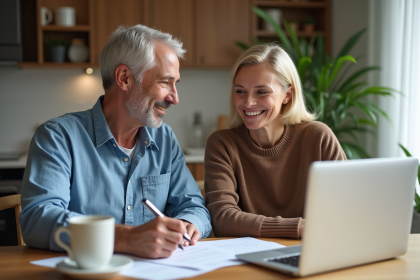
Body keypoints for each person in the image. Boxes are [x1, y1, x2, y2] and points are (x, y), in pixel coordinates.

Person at [19, 25, 212, 258]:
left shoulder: (165, 139)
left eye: (176, 83)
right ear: (124, 78)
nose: (175, 98)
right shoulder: (58, 137)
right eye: (165, 82)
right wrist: (124, 238)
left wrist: (188, 224)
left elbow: (193, 206)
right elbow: (38, 218)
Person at [204, 44, 346, 239]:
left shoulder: (318, 138)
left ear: (287, 95)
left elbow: (345, 210)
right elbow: (223, 219)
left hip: (312, 252)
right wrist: (297, 228)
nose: (248, 102)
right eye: (240, 91)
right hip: (248, 259)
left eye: (262, 92)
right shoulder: (222, 145)